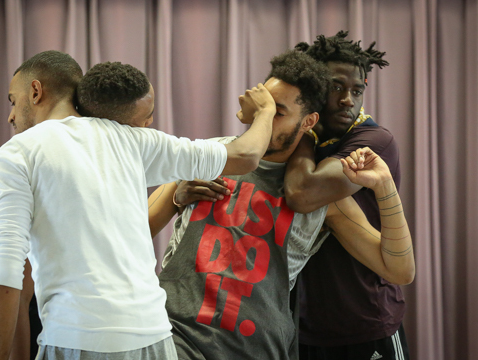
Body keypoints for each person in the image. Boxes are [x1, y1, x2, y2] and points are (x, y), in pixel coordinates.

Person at [0, 50, 278, 360]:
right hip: (154, 339)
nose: (11, 116)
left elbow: (6, 268)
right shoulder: (135, 141)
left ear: (35, 91)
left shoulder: (17, 153)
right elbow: (246, 155)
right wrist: (266, 112)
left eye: (12, 101)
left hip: (77, 338)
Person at [148, 49, 415, 360]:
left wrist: (385, 187)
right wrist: (176, 195)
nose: (264, 120)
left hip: (255, 348)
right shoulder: (206, 154)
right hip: (172, 337)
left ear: (309, 122)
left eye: (277, 113)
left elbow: (399, 269)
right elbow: (134, 230)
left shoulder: (322, 199)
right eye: (263, 108)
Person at [284, 31, 411, 359]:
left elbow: (302, 192)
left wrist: (306, 131)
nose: (347, 100)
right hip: (305, 326)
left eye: (357, 90)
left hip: (365, 323)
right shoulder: (299, 139)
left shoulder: (373, 142)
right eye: (336, 87)